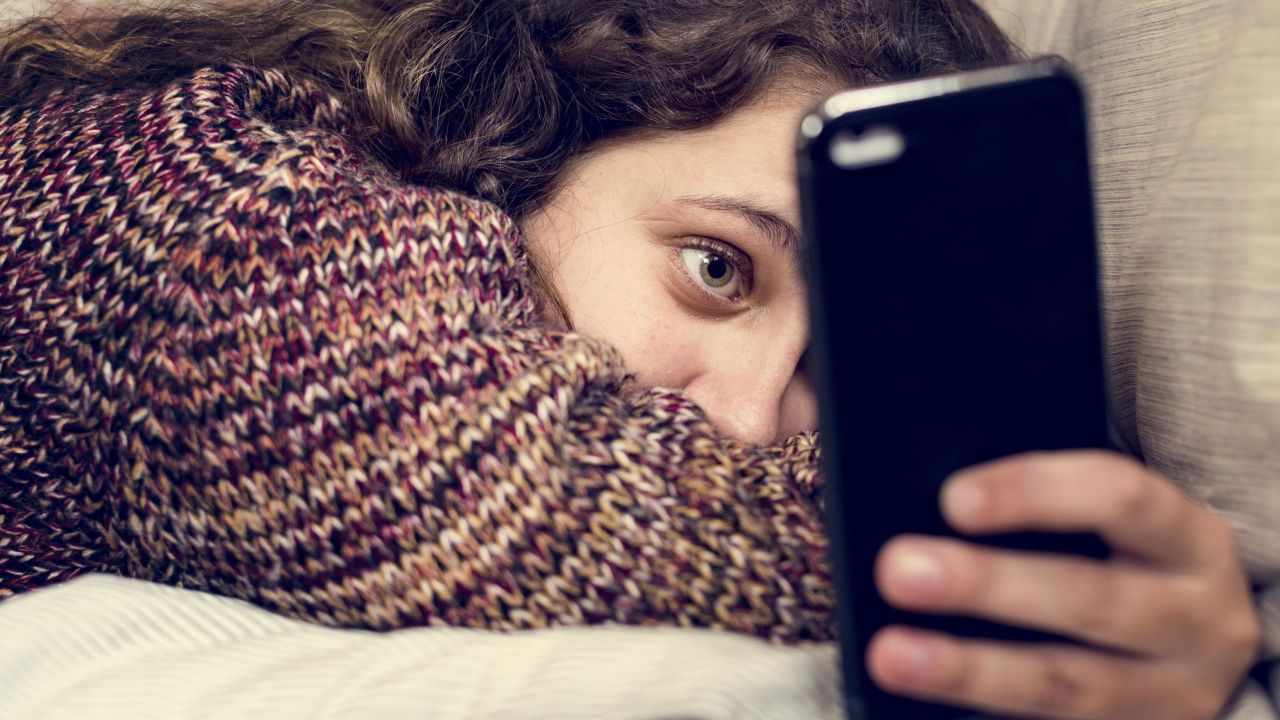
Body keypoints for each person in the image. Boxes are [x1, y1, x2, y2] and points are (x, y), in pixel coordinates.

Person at [0, 0, 1261, 717]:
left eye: (840, 368)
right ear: (523, 139)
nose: (759, 416)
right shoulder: (187, 178)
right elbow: (482, 503)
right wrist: (1062, 583)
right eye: (718, 267)